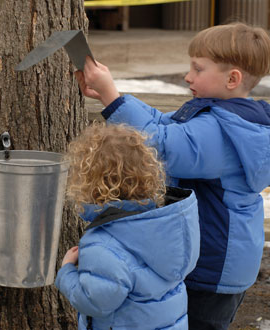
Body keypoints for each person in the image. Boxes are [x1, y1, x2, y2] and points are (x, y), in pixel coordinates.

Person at [75, 22, 270, 329]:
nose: (187, 76)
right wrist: (112, 99)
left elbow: (162, 147)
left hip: (212, 268)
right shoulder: (225, 117)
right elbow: (161, 124)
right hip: (214, 260)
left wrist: (112, 95)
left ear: (232, 79)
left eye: (198, 68)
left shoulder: (222, 134)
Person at [55, 123, 200, 330]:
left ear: (88, 184)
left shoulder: (104, 244)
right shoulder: (171, 224)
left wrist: (67, 271)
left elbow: (96, 302)